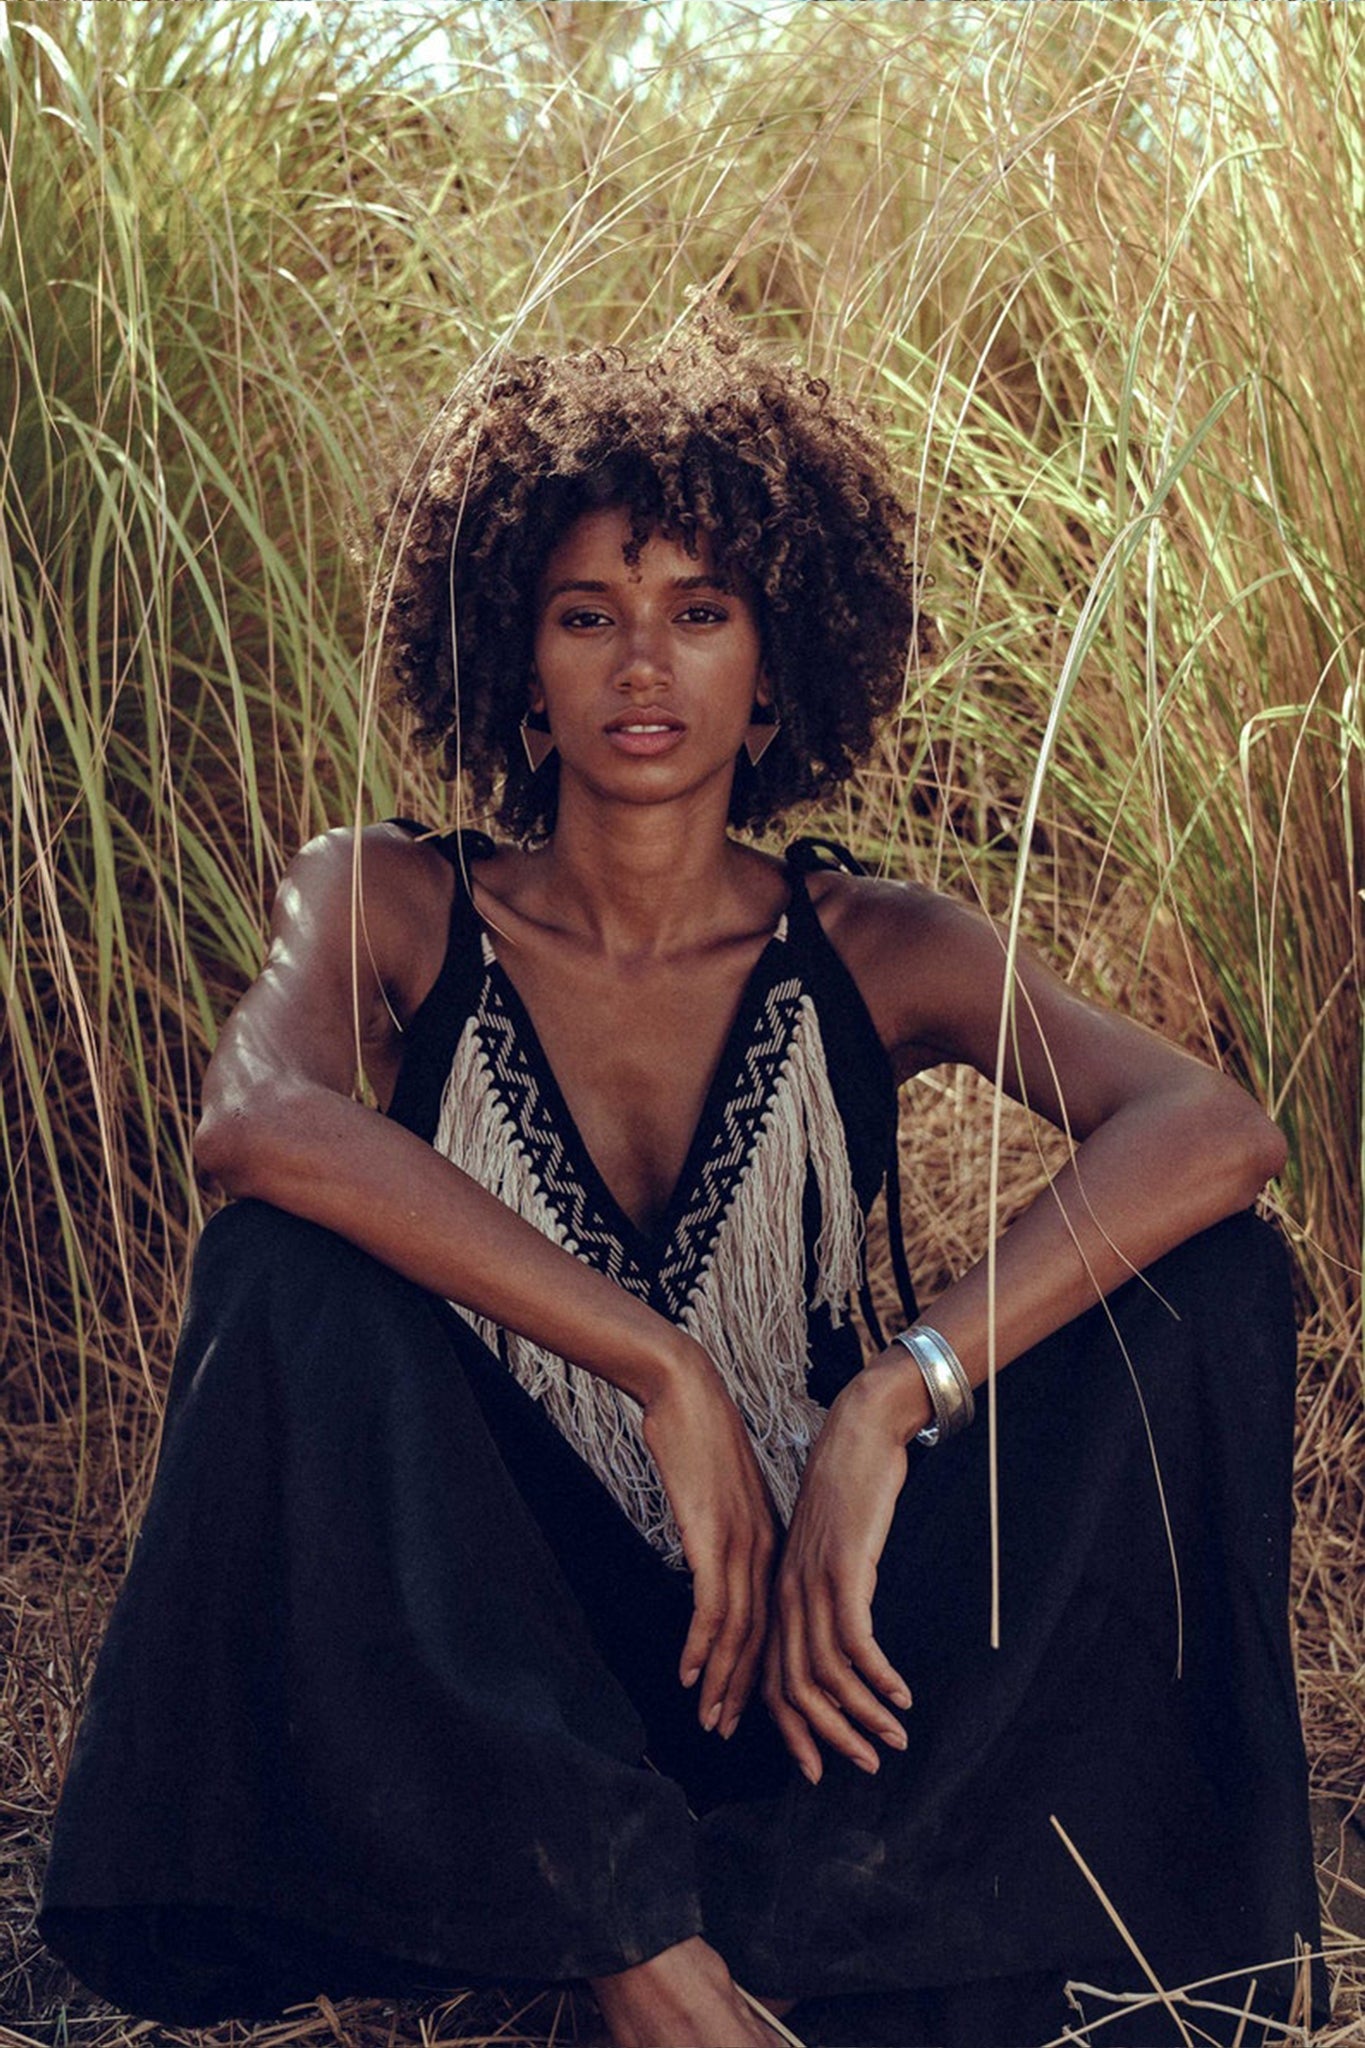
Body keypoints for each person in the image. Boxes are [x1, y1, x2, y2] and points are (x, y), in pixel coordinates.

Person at [41, 317, 1325, 2048]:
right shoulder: (393, 902)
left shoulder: (876, 944)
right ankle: (629, 1936)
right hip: (500, 1664)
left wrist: (891, 1397)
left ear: (774, 671)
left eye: (699, 613)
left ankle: (791, 1929)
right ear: (519, 666)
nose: (642, 664)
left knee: (1213, 1277)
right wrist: (663, 1369)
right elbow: (257, 1120)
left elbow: (1210, 1128)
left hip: (808, 1649)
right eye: (587, 616)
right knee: (280, 1271)